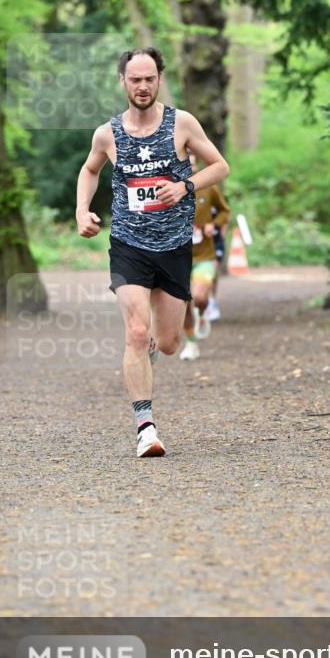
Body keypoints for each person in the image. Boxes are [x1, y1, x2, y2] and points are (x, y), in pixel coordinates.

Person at [75, 47, 229, 458]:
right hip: (128, 246)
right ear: (122, 81)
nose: (142, 86)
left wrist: (185, 186)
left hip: (175, 247)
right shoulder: (107, 133)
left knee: (168, 342)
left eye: (149, 78)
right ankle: (145, 426)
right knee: (136, 332)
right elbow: (90, 169)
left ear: (159, 79)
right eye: (134, 79)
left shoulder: (181, 123)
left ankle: (153, 352)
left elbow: (220, 166)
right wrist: (81, 210)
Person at [179, 161, 231, 361]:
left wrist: (213, 225)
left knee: (199, 298)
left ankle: (201, 313)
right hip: (178, 257)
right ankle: (191, 343)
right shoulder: (168, 186)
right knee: (183, 302)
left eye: (193, 164)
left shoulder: (209, 188)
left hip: (204, 256)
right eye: (186, 163)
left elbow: (225, 211)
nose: (190, 167)